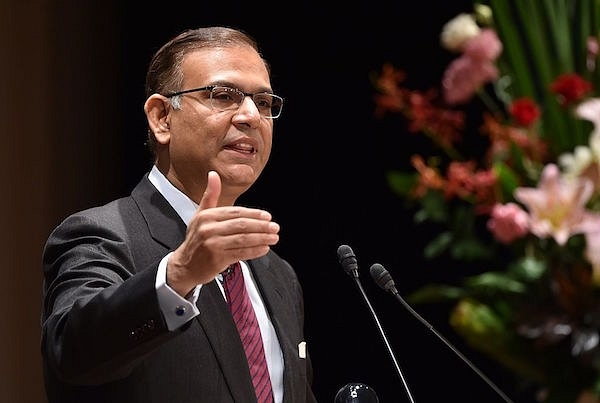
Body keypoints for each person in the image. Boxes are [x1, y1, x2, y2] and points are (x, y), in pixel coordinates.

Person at [41, 26, 318, 403]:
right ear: (161, 118)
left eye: (265, 102)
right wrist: (180, 274)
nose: (252, 115)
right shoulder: (101, 235)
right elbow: (71, 354)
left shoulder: (277, 274)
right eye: (224, 95)